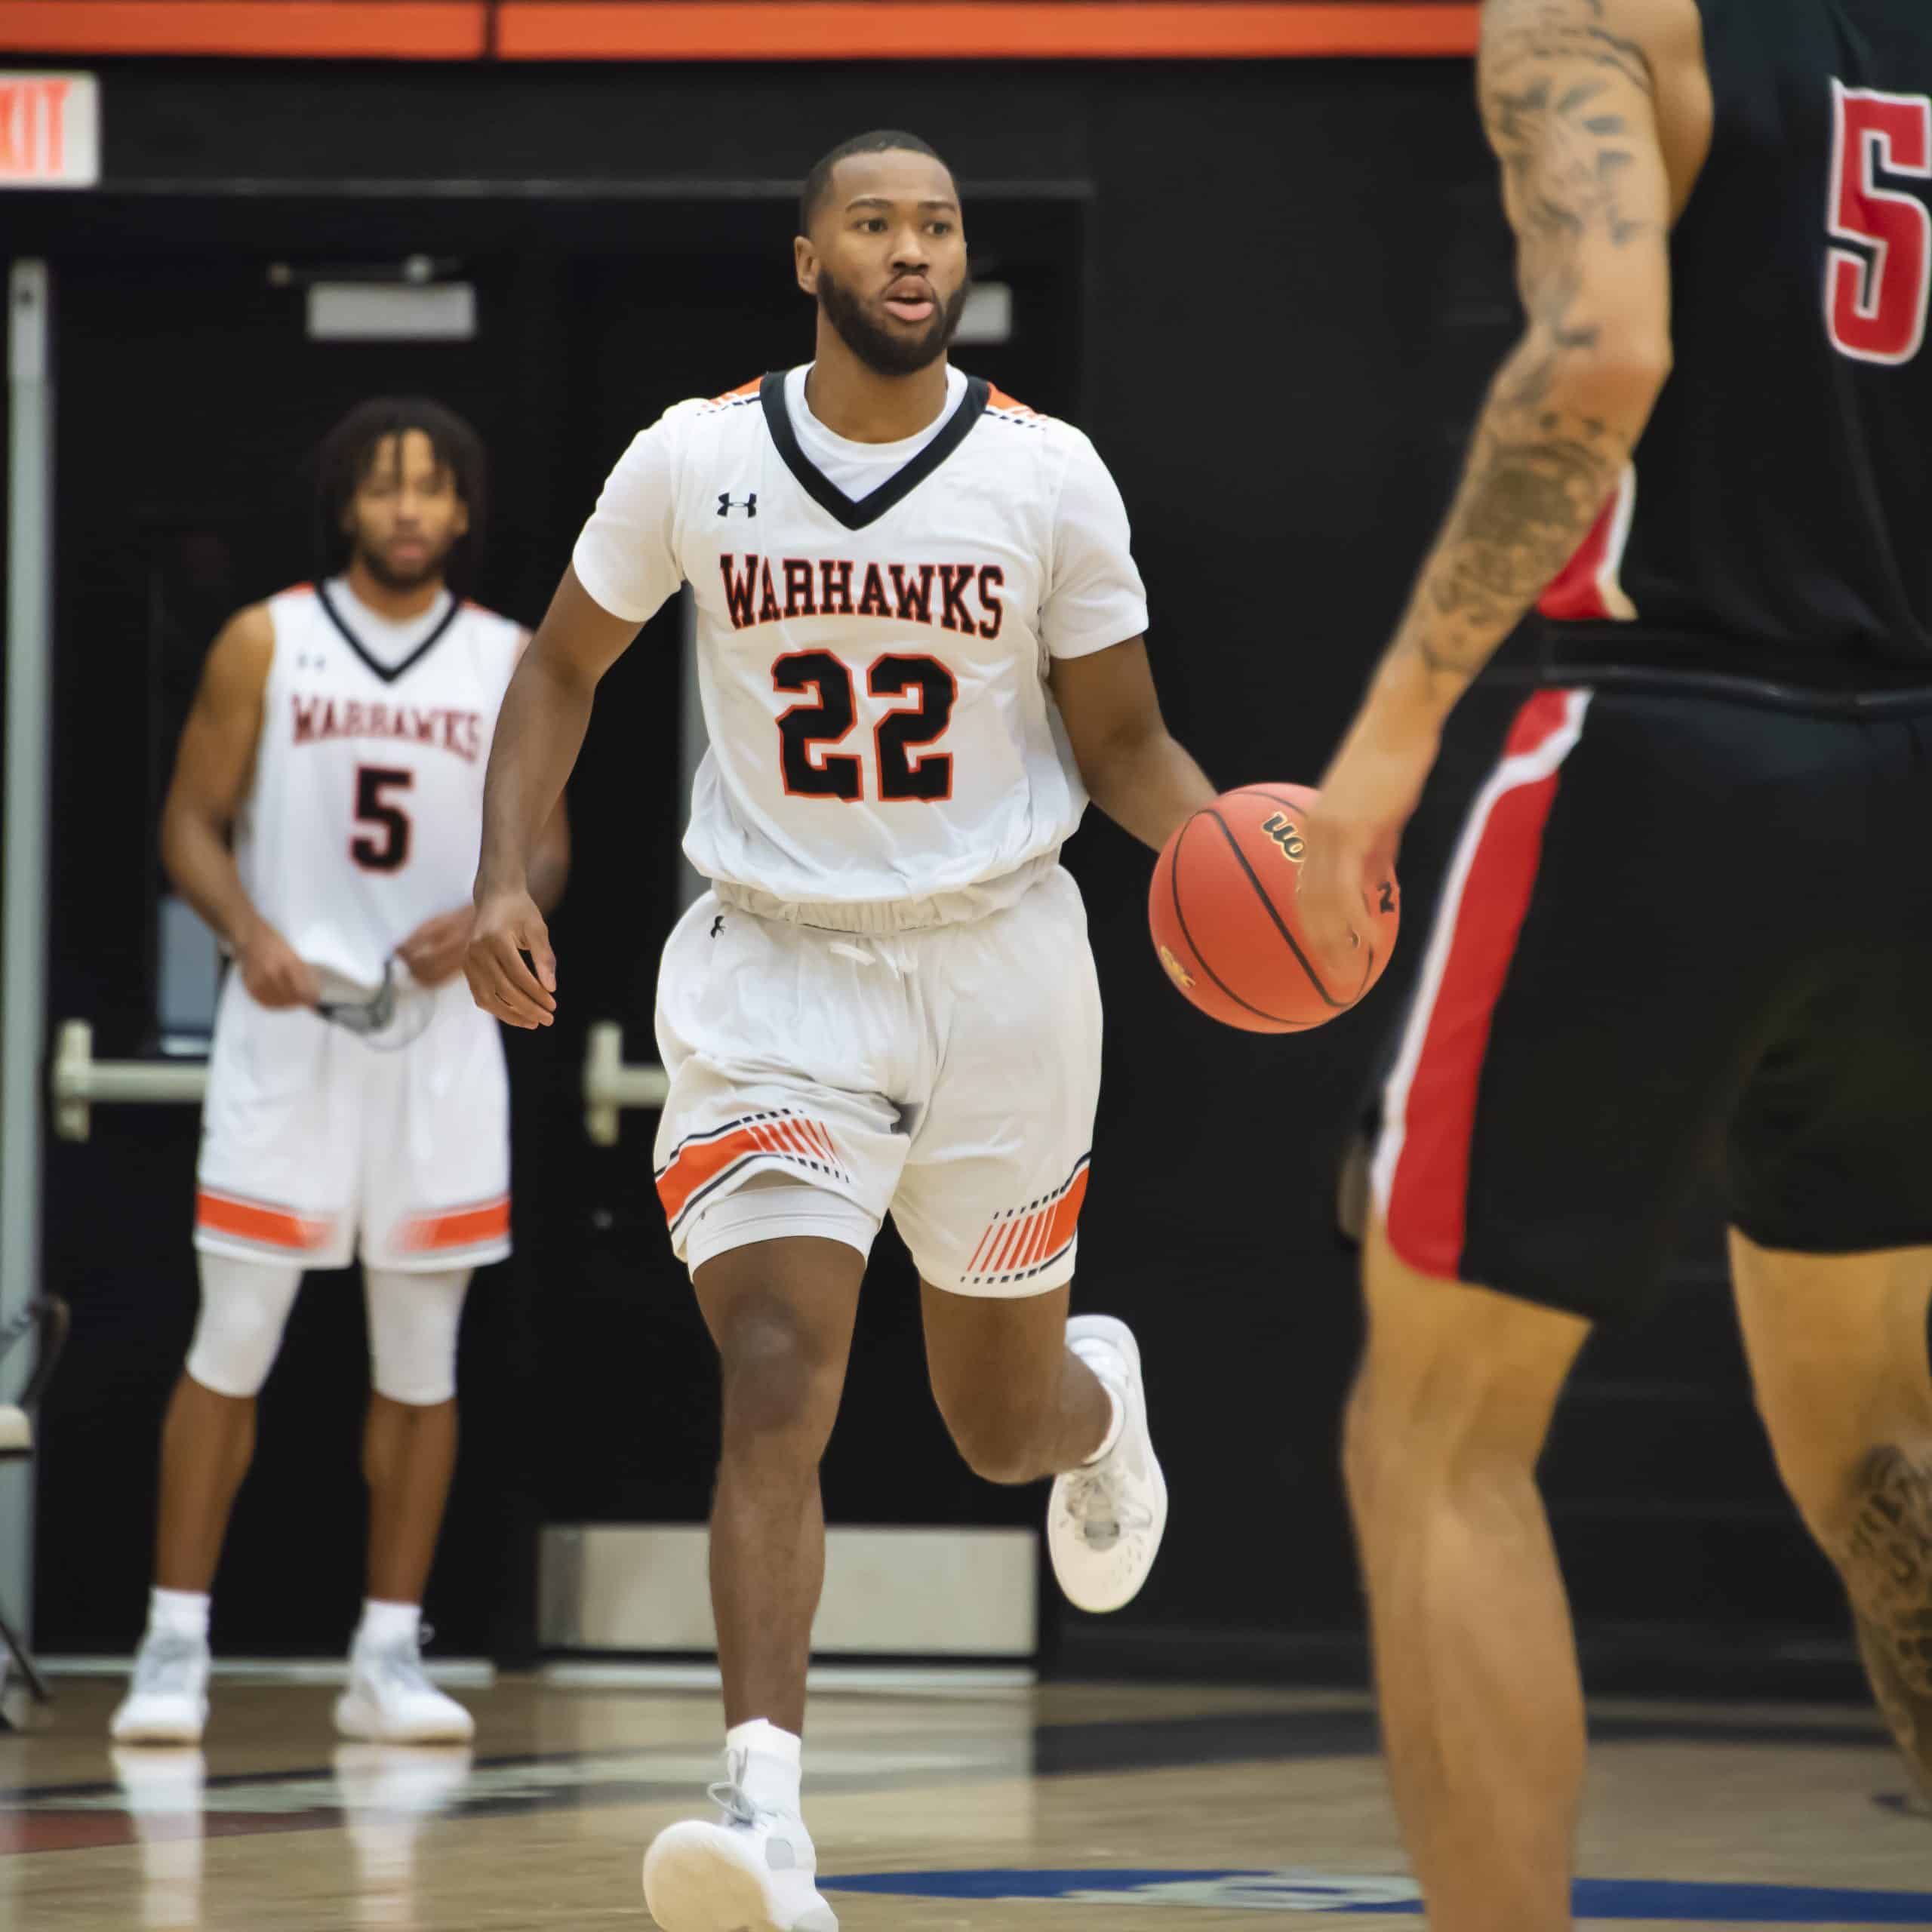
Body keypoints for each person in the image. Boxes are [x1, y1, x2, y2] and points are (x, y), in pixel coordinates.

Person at [466, 129, 1214, 1932]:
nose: (910, 248)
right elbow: (562, 662)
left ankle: (1095, 1400)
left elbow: (1119, 744)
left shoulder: (1047, 478)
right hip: (773, 970)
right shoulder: (694, 458)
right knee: (781, 1364)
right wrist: (507, 875)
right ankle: (761, 1801)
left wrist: (1227, 852)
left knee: (993, 1424)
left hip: (999, 970)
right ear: (808, 258)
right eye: (874, 223)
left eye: (936, 225)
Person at [1296, 0, 1932, 1924]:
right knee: (1882, 1447)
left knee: (1436, 1436)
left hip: (1665, 741)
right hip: (1912, 773)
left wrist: (1387, 743)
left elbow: (1600, 352)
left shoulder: (1600, 15)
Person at [111, 398, 569, 1748]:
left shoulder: (511, 658)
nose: (410, 509)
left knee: (421, 1361)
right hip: (289, 1033)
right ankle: (171, 1645)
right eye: (385, 488)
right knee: (233, 1341)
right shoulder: (271, 637)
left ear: (466, 511)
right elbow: (189, 820)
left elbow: (550, 851)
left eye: (433, 487)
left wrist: (494, 902)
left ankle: (386, 1654)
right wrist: (245, 931)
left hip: (439, 1038)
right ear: (348, 507)